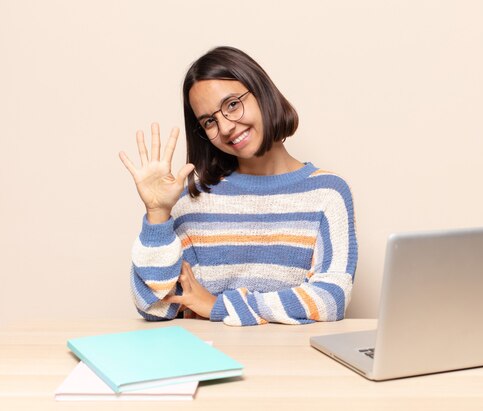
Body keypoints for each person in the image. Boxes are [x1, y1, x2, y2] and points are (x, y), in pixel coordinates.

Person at [119, 46, 358, 326]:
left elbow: (331, 299)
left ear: (262, 92)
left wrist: (219, 306)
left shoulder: (328, 193)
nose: (226, 127)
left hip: (292, 363)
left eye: (232, 104)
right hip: (210, 361)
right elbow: (155, 307)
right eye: (209, 121)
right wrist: (157, 215)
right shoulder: (192, 203)